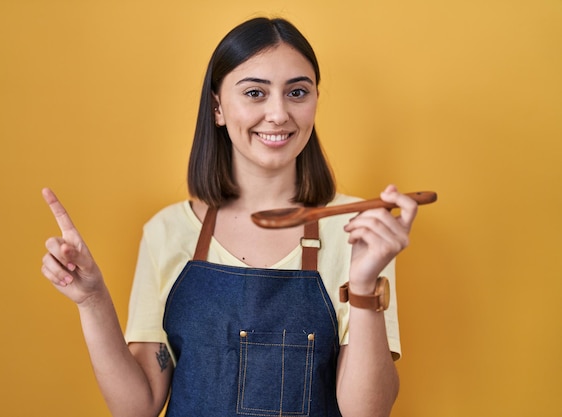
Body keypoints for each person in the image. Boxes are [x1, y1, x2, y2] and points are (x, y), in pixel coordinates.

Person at [41, 17, 419, 417]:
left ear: (315, 102)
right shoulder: (167, 232)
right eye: (255, 92)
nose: (278, 113)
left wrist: (363, 286)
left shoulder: (357, 233)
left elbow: (367, 413)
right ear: (218, 107)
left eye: (297, 92)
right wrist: (92, 299)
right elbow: (137, 407)